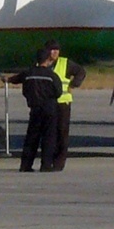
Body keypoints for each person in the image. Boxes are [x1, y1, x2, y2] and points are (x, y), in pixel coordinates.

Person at [7, 46, 62, 172]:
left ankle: (25, 165)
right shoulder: (51, 75)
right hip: (49, 109)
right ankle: (46, 165)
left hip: (35, 108)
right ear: (47, 59)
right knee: (49, 138)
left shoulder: (29, 73)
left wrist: (8, 79)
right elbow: (58, 92)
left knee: (32, 137)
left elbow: (17, 79)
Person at [49, 42, 86, 171]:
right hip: (48, 104)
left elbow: (81, 72)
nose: (54, 52)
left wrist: (73, 84)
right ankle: (49, 160)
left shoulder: (65, 63)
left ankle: (59, 162)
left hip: (63, 103)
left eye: (56, 50)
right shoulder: (41, 63)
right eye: (51, 50)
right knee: (49, 133)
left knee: (62, 133)